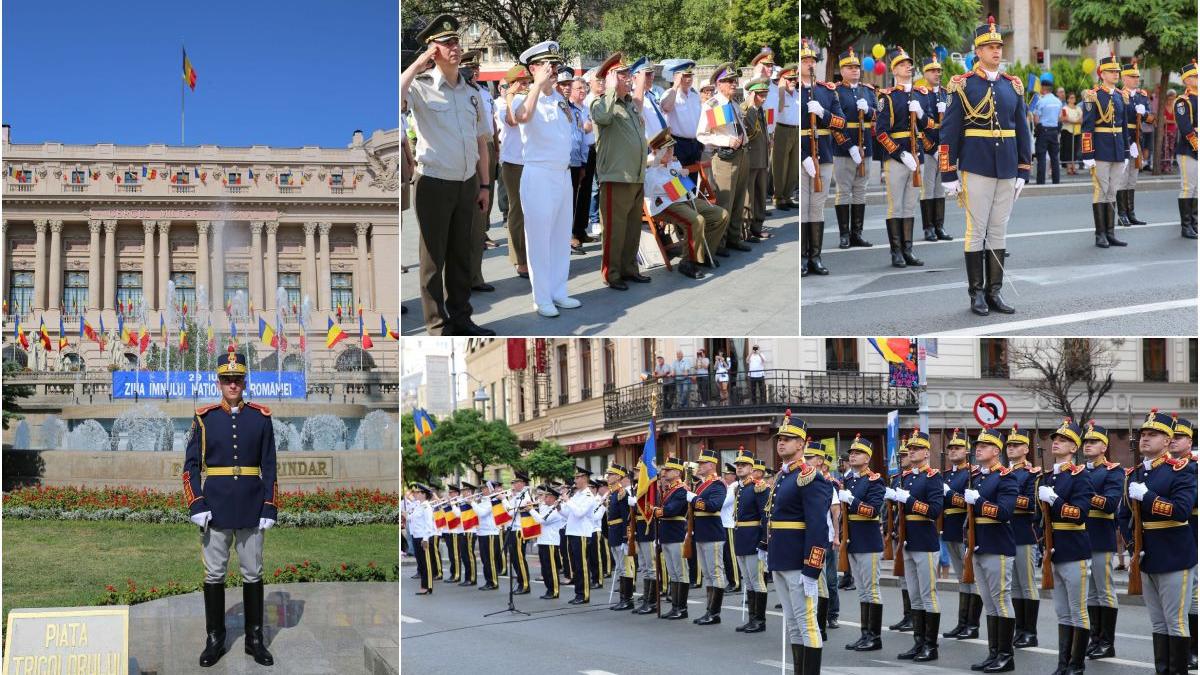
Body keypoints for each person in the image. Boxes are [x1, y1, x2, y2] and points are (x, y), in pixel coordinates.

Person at [401, 14, 495, 336]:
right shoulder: (420, 88)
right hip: (434, 183)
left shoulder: (471, 92)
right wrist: (419, 63)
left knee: (462, 256)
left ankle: (462, 318)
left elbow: (481, 141)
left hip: (467, 182)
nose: (454, 48)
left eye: (456, 41)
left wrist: (483, 185)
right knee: (432, 262)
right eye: (446, 43)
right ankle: (437, 326)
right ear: (432, 50)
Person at [185, 350, 277, 667]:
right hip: (216, 507)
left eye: (237, 379)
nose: (232, 384)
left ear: (244, 380)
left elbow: (270, 467)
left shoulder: (261, 417)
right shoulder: (204, 418)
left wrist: (269, 506)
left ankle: (255, 639)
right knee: (214, 574)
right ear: (219, 382)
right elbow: (190, 467)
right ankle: (215, 639)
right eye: (227, 379)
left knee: (253, 572)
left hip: (252, 506)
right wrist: (196, 502)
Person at [939, 15, 1028, 316]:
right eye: (989, 46)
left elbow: (1022, 130)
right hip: (976, 166)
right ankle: (976, 294)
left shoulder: (1012, 86)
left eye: (998, 46)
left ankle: (994, 292)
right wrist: (948, 172)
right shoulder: (962, 85)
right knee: (976, 231)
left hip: (1007, 168)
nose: (996, 51)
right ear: (977, 51)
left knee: (999, 230)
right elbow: (948, 132)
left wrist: (1024, 170)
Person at [1122, 409, 1196, 673]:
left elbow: (1181, 510)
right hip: (1147, 556)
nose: (1145, 438)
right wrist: (1134, 548)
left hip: (1175, 555)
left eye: (1153, 434)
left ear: (1167, 441)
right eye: (1143, 434)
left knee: (1175, 622)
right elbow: (1124, 516)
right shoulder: (1134, 473)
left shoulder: (1181, 470)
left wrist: (1149, 497)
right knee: (1157, 623)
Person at [512, 41, 581, 318]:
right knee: (539, 239)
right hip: (538, 173)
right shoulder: (525, 97)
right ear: (533, 68)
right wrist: (536, 87)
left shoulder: (559, 100)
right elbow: (521, 117)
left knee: (560, 235)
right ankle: (541, 298)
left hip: (562, 173)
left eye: (555, 64)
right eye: (547, 65)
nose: (553, 69)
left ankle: (558, 291)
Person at [764, 411, 830, 674]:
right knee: (792, 622)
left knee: (807, 622)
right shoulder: (783, 476)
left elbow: (817, 526)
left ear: (801, 444)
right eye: (780, 438)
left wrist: (812, 568)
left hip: (798, 561)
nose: (782, 442)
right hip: (781, 557)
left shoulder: (809, 476)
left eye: (789, 438)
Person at [1037, 418, 1095, 674]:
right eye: (1055, 440)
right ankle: (1063, 664)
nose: (1056, 443)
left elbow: (1081, 513)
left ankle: (1076, 664)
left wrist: (1056, 500)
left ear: (1074, 447)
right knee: (1062, 612)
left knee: (1077, 610)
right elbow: (1039, 520)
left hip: (1074, 548)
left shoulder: (1080, 476)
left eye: (1062, 440)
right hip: (1054, 549)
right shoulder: (1047, 477)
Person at [591, 52, 650, 290]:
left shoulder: (629, 106)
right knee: (614, 231)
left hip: (635, 175)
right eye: (623, 75)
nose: (628, 78)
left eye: (627, 74)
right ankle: (612, 273)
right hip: (616, 176)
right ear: (611, 79)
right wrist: (610, 90)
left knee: (632, 228)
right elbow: (603, 117)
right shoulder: (601, 103)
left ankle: (629, 268)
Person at [886, 430, 945, 661]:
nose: (911, 451)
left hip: (926, 542)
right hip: (908, 541)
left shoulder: (933, 477)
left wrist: (908, 500)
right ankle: (918, 643)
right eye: (909, 449)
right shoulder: (906, 477)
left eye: (917, 448)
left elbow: (934, 510)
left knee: (928, 595)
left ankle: (931, 645)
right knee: (915, 595)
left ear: (927, 453)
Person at [965, 427, 1019, 673]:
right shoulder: (976, 477)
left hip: (997, 545)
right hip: (979, 545)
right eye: (977, 445)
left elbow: (1005, 512)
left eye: (984, 446)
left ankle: (1006, 656)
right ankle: (993, 652)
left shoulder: (1006, 477)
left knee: (1001, 600)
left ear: (996, 451)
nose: (978, 448)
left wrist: (979, 502)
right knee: (989, 602)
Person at [642, 129, 728, 278]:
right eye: (666, 150)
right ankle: (687, 262)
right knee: (695, 221)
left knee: (721, 215)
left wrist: (682, 177)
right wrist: (659, 166)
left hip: (684, 197)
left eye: (672, 148)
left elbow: (680, 184)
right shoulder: (649, 165)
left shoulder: (673, 160)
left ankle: (704, 253)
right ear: (656, 151)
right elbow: (649, 191)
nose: (670, 152)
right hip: (664, 204)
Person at [875, 46, 929, 270]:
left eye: (909, 63)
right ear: (894, 70)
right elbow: (880, 131)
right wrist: (900, 153)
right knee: (895, 206)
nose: (909, 66)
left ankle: (908, 249)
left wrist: (922, 114)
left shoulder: (921, 95)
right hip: (898, 158)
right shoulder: (887, 97)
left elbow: (930, 126)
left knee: (910, 206)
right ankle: (896, 251)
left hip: (918, 156)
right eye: (903, 64)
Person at [801, 41, 851, 275]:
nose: (809, 64)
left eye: (812, 60)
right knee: (804, 206)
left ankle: (815, 256)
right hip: (802, 155)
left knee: (817, 206)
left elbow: (841, 122)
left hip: (825, 153)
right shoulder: (793, 91)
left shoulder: (826, 90)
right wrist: (803, 156)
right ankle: (802, 258)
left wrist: (823, 113)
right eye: (804, 60)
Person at [698, 62, 753, 256]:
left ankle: (734, 238)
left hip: (742, 154)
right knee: (725, 201)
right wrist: (725, 140)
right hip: (725, 158)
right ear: (719, 84)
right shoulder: (713, 105)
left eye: (734, 80)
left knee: (739, 199)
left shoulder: (734, 104)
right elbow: (702, 135)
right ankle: (719, 242)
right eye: (729, 81)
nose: (733, 83)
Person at [837, 435, 886, 651]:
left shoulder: (875, 480)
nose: (852, 455)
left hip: (869, 540)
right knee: (862, 591)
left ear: (867, 458)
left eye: (857, 453)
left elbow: (873, 510)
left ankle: (874, 637)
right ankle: (864, 634)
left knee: (871, 589)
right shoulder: (849, 480)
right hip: (853, 540)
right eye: (851, 453)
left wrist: (852, 501)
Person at [1080, 422, 1123, 659]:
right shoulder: (1080, 471)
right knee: (1092, 592)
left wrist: (1085, 494)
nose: (1088, 445)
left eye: (1093, 442)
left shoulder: (1112, 471)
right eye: (1086, 442)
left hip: (1101, 534)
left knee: (1105, 590)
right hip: (1082, 535)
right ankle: (1095, 639)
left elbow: (1110, 503)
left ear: (1104, 447)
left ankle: (1107, 642)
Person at [1081, 53, 1131, 249]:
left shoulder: (1121, 96)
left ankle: (1110, 233)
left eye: (1117, 71)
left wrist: (1126, 152)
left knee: (1112, 191)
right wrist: (1088, 154)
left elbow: (1124, 126)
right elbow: (1087, 127)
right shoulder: (1092, 95)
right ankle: (1099, 234)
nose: (1116, 74)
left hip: (1118, 149)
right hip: (1100, 150)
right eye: (1111, 71)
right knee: (1100, 191)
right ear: (1102, 73)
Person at [458, 50, 497, 293]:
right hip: (462, 157)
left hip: (484, 149)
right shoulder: (454, 93)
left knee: (479, 218)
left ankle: (475, 275)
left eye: (474, 69)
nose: (473, 72)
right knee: (462, 222)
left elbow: (488, 128)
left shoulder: (480, 93)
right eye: (468, 69)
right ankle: (461, 279)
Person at [1004, 425, 1043, 648]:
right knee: (1015, 586)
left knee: (1027, 584)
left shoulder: (1031, 474)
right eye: (1009, 445)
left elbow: (1031, 504)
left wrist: (1007, 499)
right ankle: (1020, 630)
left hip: (1024, 532)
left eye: (1016, 445)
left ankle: (1031, 632)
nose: (1011, 448)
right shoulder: (1005, 473)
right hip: (1008, 533)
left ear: (1026, 449)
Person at [940, 429, 981, 640]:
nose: (953, 451)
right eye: (951, 448)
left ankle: (972, 625)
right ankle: (962, 622)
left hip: (965, 529)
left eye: (957, 448)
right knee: (962, 578)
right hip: (950, 528)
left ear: (966, 451)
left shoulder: (972, 474)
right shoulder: (946, 475)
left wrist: (949, 494)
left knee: (971, 577)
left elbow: (968, 502)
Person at [832, 50, 874, 248]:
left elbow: (879, 117)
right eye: (850, 67)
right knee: (844, 191)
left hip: (866, 146)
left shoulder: (868, 91)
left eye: (857, 67)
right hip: (844, 148)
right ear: (842, 71)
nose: (855, 70)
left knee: (860, 191)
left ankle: (857, 233)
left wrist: (869, 110)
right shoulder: (837, 92)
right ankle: (844, 234)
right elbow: (835, 124)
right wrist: (849, 147)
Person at [1168, 416, 1198, 670]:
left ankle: (1193, 649)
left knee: (1195, 593)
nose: (1174, 441)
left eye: (1178, 437)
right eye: (1172, 437)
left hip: (1194, 530)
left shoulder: (1194, 467)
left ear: (1190, 440)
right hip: (1171, 535)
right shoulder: (1164, 467)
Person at [498, 64, 532, 279]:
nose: (525, 86)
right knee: (517, 211)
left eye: (527, 82)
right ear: (511, 85)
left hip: (531, 161)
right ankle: (519, 259)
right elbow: (512, 120)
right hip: (513, 163)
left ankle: (530, 254)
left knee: (532, 211)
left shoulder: (529, 98)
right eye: (520, 83)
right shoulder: (503, 104)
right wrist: (511, 96)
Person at [688, 449, 729, 625]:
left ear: (711, 465)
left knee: (716, 573)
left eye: (703, 463)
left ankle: (714, 613)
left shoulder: (717, 485)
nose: (699, 466)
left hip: (712, 533)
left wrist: (694, 499)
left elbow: (714, 505)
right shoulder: (700, 485)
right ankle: (708, 610)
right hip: (702, 533)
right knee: (707, 574)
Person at [918, 56, 951, 242]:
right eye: (933, 71)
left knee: (940, 188)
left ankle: (939, 226)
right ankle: (928, 228)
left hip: (944, 147)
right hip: (928, 147)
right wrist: (932, 149)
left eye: (939, 71)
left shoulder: (946, 94)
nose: (937, 74)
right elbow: (920, 127)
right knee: (928, 188)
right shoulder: (921, 94)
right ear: (925, 73)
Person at [1117, 60, 1152, 226]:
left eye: (1137, 77)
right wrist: (1128, 142)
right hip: (1125, 140)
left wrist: (1144, 114)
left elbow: (1151, 118)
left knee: (1132, 179)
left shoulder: (1142, 96)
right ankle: (1121, 213)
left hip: (1138, 139)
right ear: (1124, 78)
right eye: (1132, 77)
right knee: (1122, 179)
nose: (1136, 79)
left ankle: (1131, 213)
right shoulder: (1118, 95)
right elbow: (1118, 120)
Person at [656, 456, 691, 619]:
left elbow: (671, 510)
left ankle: (682, 609)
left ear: (677, 472)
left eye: (668, 470)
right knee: (673, 572)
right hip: (667, 534)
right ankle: (675, 606)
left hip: (676, 534)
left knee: (680, 571)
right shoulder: (670, 489)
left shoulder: (681, 489)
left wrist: (656, 511)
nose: (665, 472)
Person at [562, 71, 590, 255]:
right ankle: (567, 238)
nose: (566, 88)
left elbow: (579, 137)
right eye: (577, 87)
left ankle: (571, 234)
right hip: (564, 161)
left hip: (576, 161)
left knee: (573, 200)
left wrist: (582, 163)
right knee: (566, 202)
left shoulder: (577, 110)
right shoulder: (564, 107)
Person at [742, 77, 773, 242]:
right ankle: (746, 229)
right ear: (752, 94)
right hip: (752, 158)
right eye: (760, 94)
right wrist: (752, 105)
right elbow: (750, 132)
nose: (764, 98)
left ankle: (757, 227)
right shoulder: (747, 109)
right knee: (749, 195)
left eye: (765, 94)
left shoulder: (761, 108)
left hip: (762, 157)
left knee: (761, 194)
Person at [562, 466, 599, 604]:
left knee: (581, 565)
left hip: (582, 534)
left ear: (584, 479)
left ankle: (584, 595)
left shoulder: (589, 496)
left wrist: (567, 501)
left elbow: (579, 512)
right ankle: (578, 593)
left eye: (577, 477)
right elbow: (569, 514)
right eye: (575, 477)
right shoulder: (577, 494)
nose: (575, 480)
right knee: (575, 566)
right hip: (572, 532)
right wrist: (560, 507)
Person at [661, 59, 703, 171]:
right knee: (678, 180)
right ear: (676, 77)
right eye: (684, 76)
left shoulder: (695, 95)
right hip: (678, 144)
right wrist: (675, 86)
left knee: (693, 179)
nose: (689, 79)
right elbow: (666, 107)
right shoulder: (670, 93)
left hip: (695, 144)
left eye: (690, 75)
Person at [570, 76, 598, 250]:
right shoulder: (570, 109)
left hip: (590, 152)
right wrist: (583, 127)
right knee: (575, 195)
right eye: (578, 88)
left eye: (584, 88)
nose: (583, 91)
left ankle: (581, 230)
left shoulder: (587, 108)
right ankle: (572, 233)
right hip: (577, 154)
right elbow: (573, 131)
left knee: (586, 192)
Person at [1174, 60, 1198, 238]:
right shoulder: (1183, 101)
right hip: (1188, 148)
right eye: (1194, 76)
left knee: (1197, 188)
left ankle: (1195, 222)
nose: (1197, 78)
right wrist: (1197, 145)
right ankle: (1186, 226)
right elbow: (1185, 128)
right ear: (1186, 80)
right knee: (1188, 187)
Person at [530, 485, 566, 599]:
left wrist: (530, 509)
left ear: (554, 498)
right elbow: (539, 513)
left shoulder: (556, 510)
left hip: (551, 541)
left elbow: (542, 520)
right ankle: (548, 589)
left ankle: (554, 590)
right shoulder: (545, 507)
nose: (545, 499)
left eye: (547, 497)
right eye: (545, 497)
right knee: (545, 568)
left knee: (551, 568)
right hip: (542, 540)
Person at [1031, 77, 1063, 185]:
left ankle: (1041, 182)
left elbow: (1036, 119)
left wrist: (1037, 128)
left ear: (1044, 88)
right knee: (1054, 158)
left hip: (1043, 132)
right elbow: (1060, 118)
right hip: (1054, 132)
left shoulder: (1041, 101)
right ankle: (1056, 181)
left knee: (1041, 158)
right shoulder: (1058, 101)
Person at [409, 484, 437, 596]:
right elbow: (413, 519)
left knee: (426, 564)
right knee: (421, 563)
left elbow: (429, 525)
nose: (416, 494)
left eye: (418, 492)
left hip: (423, 538)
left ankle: (427, 586)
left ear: (424, 494)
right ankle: (423, 585)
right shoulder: (418, 506)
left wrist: (425, 539)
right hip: (416, 537)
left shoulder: (426, 507)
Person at [1062, 93, 1083, 176]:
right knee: (1068, 149)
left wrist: (1072, 121)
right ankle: (1068, 167)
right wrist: (1075, 121)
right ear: (1068, 99)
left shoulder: (1078, 108)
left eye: (1074, 97)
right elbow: (1064, 118)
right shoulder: (1064, 108)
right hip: (1067, 131)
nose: (1073, 99)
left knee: (1075, 149)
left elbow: (1081, 118)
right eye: (1071, 97)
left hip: (1076, 131)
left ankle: (1073, 167)